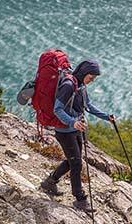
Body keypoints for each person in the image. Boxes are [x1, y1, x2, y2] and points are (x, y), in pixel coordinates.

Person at [40, 59, 114, 212]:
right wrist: (72, 122)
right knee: (76, 163)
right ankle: (80, 199)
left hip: (75, 129)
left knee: (73, 160)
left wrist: (107, 117)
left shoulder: (80, 85)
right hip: (64, 131)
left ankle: (50, 181)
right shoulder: (68, 85)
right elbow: (57, 109)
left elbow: (88, 106)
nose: (92, 81)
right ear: (84, 73)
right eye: (91, 77)